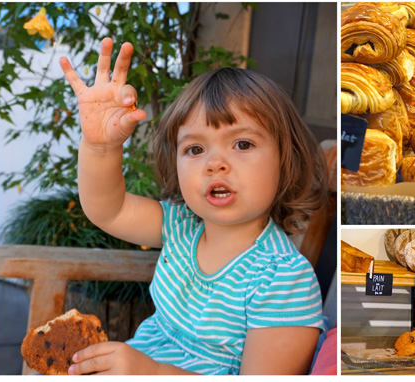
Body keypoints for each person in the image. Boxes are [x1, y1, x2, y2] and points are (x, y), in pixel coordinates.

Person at [59, 37, 329, 375]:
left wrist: (153, 373)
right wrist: (99, 148)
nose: (214, 163)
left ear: (285, 160)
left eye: (242, 143)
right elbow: (107, 210)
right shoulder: (182, 226)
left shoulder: (283, 280)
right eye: (195, 149)